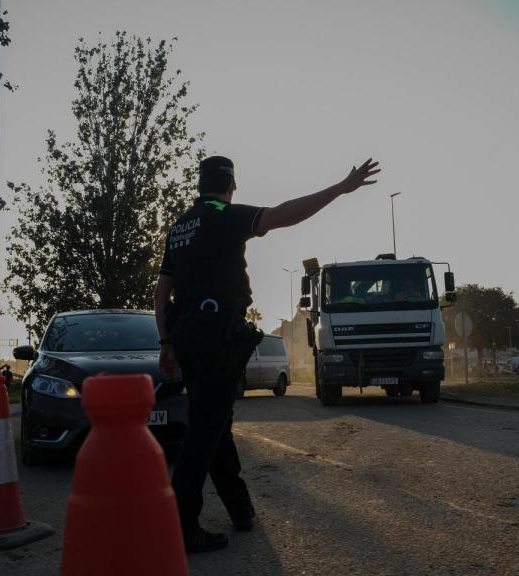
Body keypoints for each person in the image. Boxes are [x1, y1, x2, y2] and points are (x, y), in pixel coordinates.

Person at [154, 155, 380, 553]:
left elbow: (161, 293)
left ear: (199, 183)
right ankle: (180, 525)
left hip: (185, 334)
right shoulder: (223, 214)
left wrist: (166, 343)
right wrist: (339, 189)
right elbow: (281, 215)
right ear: (231, 186)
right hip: (215, 333)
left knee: (214, 423)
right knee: (203, 432)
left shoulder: (180, 226)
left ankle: (240, 510)